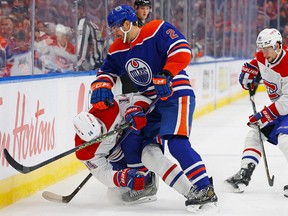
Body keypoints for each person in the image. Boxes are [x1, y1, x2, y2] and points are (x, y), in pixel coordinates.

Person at [89, 4, 218, 212]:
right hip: (150, 102)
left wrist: (167, 73)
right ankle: (146, 185)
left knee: (177, 143)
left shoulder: (156, 29)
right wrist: (102, 86)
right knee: (144, 147)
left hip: (175, 94)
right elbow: (107, 71)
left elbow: (182, 50)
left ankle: (205, 189)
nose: (113, 32)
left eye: (114, 27)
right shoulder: (117, 48)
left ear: (126, 23)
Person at [225, 28, 288, 197]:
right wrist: (248, 76)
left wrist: (265, 115)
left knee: (285, 140)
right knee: (255, 134)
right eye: (261, 48)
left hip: (286, 107)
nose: (263, 52)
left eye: (267, 48)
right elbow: (254, 67)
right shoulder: (262, 57)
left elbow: (287, 101)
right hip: (281, 109)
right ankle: (244, 175)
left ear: (278, 46)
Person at [73, 93, 158, 204]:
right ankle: (143, 181)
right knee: (118, 184)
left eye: (101, 132)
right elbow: (103, 174)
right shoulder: (84, 152)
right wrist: (122, 177)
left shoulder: (108, 108)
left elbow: (139, 99)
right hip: (114, 152)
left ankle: (146, 177)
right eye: (95, 139)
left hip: (132, 135)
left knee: (131, 140)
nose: (100, 137)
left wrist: (135, 110)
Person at [120, 0, 153, 94]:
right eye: (142, 8)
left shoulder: (142, 25)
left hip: (137, 68)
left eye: (147, 8)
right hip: (132, 69)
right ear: (136, 9)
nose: (145, 11)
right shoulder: (132, 25)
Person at [76, 0, 104, 71]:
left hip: (92, 68)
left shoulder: (83, 24)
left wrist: (75, 66)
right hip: (100, 66)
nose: (74, 12)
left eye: (76, 9)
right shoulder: (94, 25)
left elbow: (81, 53)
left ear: (81, 9)